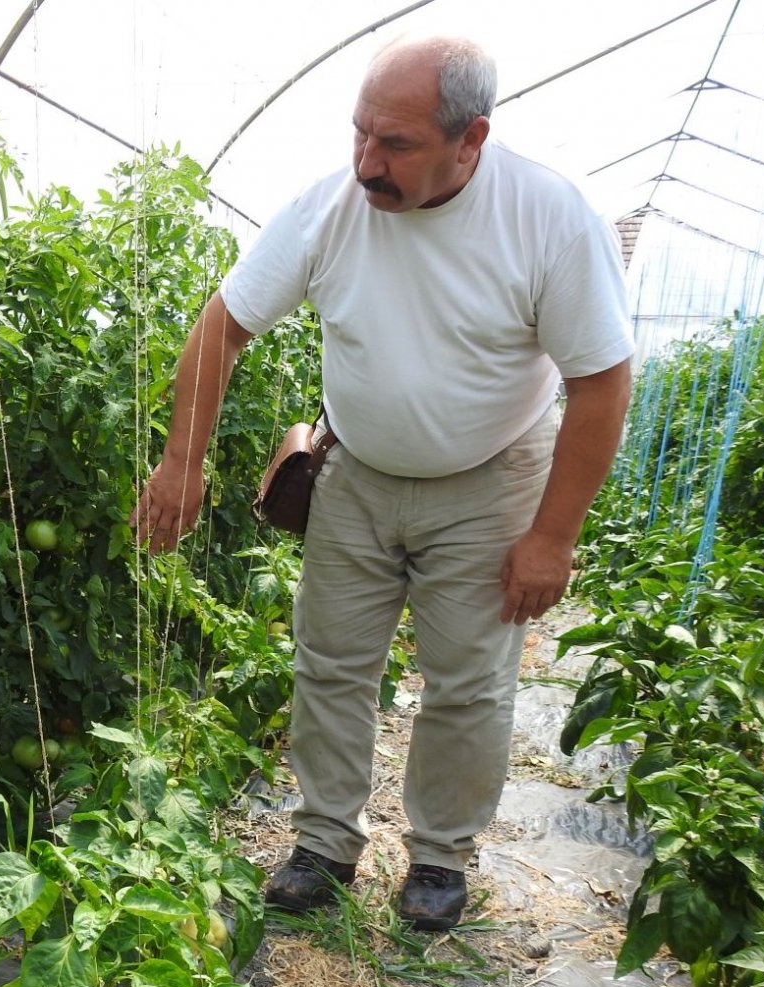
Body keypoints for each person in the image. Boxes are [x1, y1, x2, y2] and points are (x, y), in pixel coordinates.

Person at [129, 34, 634, 931]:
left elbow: (600, 383)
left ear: (470, 139)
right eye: (359, 134)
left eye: (395, 143)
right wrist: (182, 461)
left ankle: (439, 855)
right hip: (356, 471)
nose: (368, 162)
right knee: (330, 663)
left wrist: (552, 535)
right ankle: (324, 843)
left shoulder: (548, 219)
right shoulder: (329, 209)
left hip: (490, 480)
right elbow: (222, 327)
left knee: (468, 681)